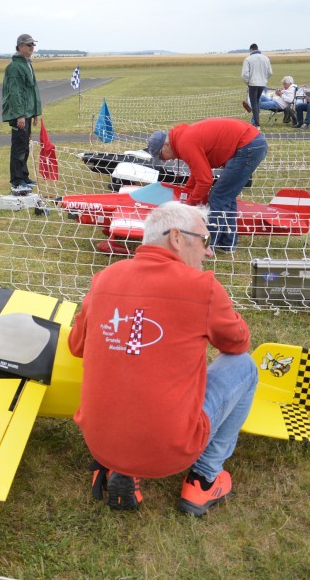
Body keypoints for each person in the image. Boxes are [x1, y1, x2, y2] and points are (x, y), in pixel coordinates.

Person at [69, 202, 258, 515]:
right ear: (176, 237)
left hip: (99, 443)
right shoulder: (203, 287)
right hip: (170, 450)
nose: (208, 253)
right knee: (245, 367)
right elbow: (238, 343)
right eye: (204, 241)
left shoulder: (103, 279)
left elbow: (77, 346)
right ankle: (205, 479)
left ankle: (120, 465)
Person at [146, 118, 268, 252]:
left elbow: (205, 181)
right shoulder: (183, 139)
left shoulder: (184, 143)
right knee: (226, 196)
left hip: (247, 146)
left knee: (217, 197)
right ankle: (227, 244)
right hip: (251, 142)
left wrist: (190, 204)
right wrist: (187, 191)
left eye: (161, 156)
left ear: (166, 145)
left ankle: (207, 247)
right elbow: (198, 171)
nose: (166, 160)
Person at [1, 33, 42, 193]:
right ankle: (16, 182)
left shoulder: (26, 64)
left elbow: (31, 91)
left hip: (27, 113)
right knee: (19, 147)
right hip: (19, 115)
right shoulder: (15, 67)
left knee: (25, 146)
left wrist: (34, 113)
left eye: (33, 45)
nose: (32, 47)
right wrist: (20, 115)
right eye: (29, 45)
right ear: (20, 47)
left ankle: (24, 176)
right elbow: (15, 93)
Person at [240, 44, 272, 128]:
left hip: (252, 84)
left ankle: (257, 124)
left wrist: (248, 82)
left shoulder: (248, 59)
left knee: (254, 103)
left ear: (251, 50)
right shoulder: (266, 58)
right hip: (262, 84)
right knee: (257, 102)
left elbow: (245, 74)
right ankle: (255, 122)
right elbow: (270, 73)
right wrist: (264, 80)